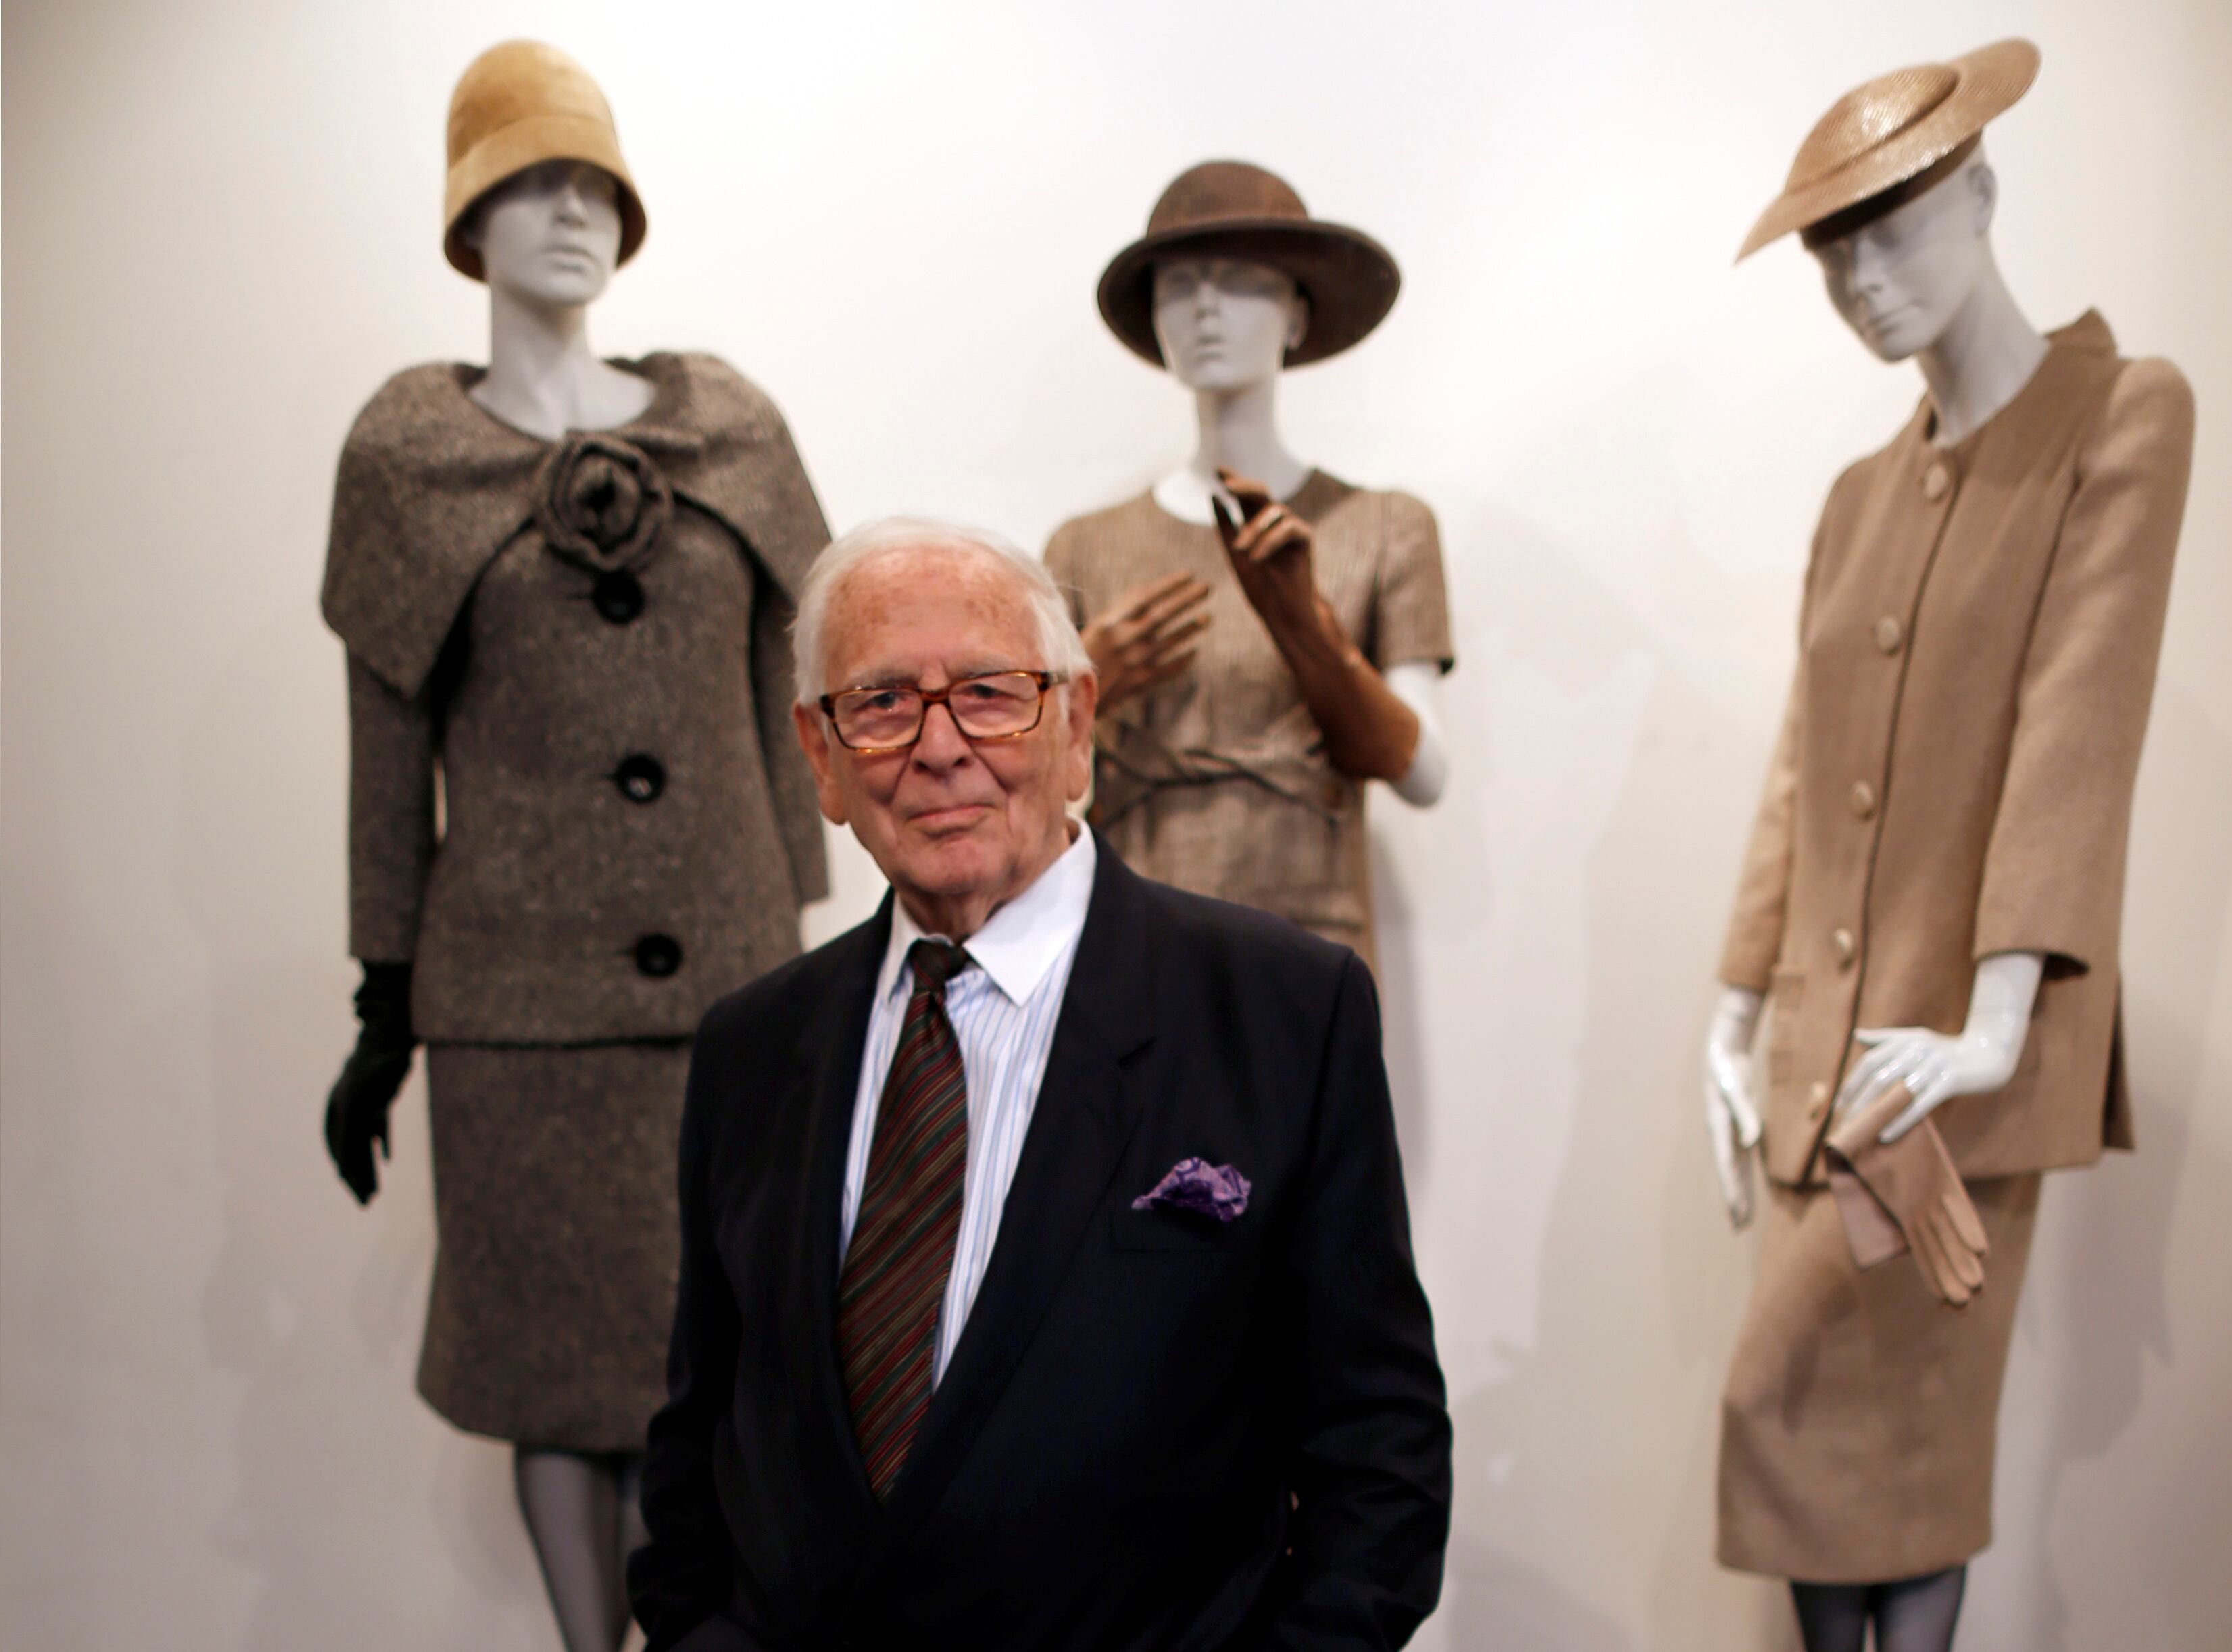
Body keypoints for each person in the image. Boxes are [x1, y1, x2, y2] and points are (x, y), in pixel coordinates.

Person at [628, 518, 1452, 1651]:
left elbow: (1380, 1459)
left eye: (987, 692)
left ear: (1074, 725)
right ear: (819, 758)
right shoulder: (751, 1049)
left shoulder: (1281, 1012)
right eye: (880, 704)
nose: (938, 746)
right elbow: (697, 1449)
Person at [317, 42, 829, 1652]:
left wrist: (822, 961)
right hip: (516, 1023)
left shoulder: (724, 427)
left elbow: (789, 700)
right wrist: (379, 1008)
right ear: (467, 222)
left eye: (598, 185)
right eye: (534, 182)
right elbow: (386, 750)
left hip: (731, 997)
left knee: (720, 1375)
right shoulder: (409, 458)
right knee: (560, 1383)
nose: (575, 214)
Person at [1701, 41, 2193, 1652]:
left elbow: (2077, 716)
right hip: (1824, 1058)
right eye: (1830, 248)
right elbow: (1799, 767)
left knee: (1894, 1461)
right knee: (1802, 1454)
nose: (1859, 276)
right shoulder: (1855, 497)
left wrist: (1991, 1019)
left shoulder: (2117, 413)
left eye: (1892, 225)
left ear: (1980, 193)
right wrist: (1729, 1011)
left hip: (1951, 1066)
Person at [1046, 161, 1455, 972]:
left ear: (1299, 316)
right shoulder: (1083, 547)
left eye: (1240, 282)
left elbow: (1425, 773)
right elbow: (1030, 786)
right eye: (1179, 284)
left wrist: (1305, 623)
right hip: (1130, 945)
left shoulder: (1380, 527)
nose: (1205, 307)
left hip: (1309, 939)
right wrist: (1090, 685)